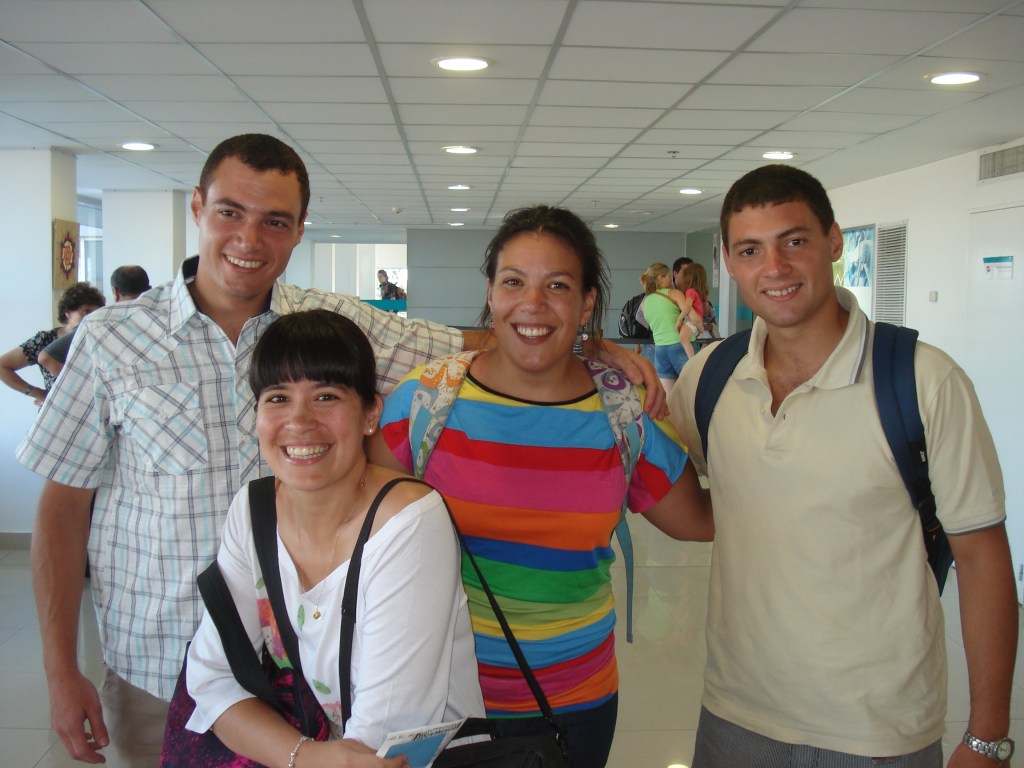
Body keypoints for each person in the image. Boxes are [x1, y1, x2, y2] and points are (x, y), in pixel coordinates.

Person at [17, 133, 660, 767]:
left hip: (322, 682)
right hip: (163, 671)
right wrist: (60, 668)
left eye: (275, 221)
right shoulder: (110, 340)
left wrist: (586, 344)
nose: (250, 239)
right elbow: (63, 508)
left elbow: (489, 337)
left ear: (299, 230)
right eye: (230, 212)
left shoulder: (333, 325)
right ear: (197, 207)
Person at [667, 165, 1017, 767]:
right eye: (751, 250)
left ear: (834, 242)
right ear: (728, 262)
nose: (774, 267)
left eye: (794, 241)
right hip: (734, 713)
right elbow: (703, 513)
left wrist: (987, 737)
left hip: (876, 730)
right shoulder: (711, 376)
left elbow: (983, 559)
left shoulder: (923, 381)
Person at [369, 205, 714, 768]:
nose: (532, 303)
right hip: (439, 699)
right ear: (490, 293)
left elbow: (699, 520)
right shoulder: (425, 402)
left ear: (586, 304)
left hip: (575, 702)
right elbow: (358, 533)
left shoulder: (621, 410)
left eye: (557, 285)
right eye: (513, 282)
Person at [183, 310, 482, 766]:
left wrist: (302, 756)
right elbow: (212, 677)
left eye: (326, 396)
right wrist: (306, 757)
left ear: (370, 414)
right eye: (277, 398)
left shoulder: (408, 523)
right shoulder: (253, 511)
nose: (299, 420)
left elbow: (381, 742)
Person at [0, 281, 105, 405]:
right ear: (68, 313)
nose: (91, 318)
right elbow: (2, 366)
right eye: (86, 312)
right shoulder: (45, 340)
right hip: (58, 408)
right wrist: (38, 393)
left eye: (95, 313)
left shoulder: (100, 337)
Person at [38, 266, 151, 378]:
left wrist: (85, 384)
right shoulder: (158, 317)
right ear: (150, 290)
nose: (90, 314)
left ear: (115, 292)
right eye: (85, 312)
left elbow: (46, 357)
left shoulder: (102, 322)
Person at [640, 262, 701, 396]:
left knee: (669, 396)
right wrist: (700, 328)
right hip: (680, 346)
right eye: (668, 276)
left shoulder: (645, 302)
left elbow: (649, 323)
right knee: (692, 391)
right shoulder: (674, 293)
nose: (671, 280)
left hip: (660, 350)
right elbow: (693, 316)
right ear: (660, 278)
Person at [676, 263, 710, 355]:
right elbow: (706, 312)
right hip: (697, 321)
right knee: (687, 339)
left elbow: (687, 307)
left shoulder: (690, 291)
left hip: (691, 320)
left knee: (683, 338)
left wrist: (679, 319)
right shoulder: (699, 292)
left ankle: (691, 359)